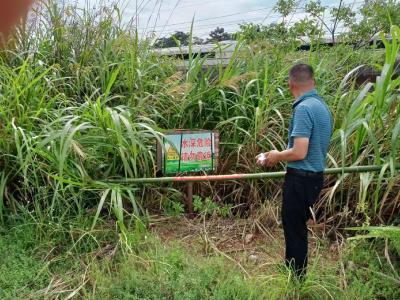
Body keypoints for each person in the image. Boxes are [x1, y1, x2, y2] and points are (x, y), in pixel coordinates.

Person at [257, 64, 332, 278]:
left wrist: (275, 155)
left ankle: (296, 277)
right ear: (313, 82)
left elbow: (300, 152)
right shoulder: (321, 106)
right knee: (296, 224)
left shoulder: (303, 108)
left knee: (294, 227)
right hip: (314, 177)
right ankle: (292, 268)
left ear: (291, 85)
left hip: (301, 178)